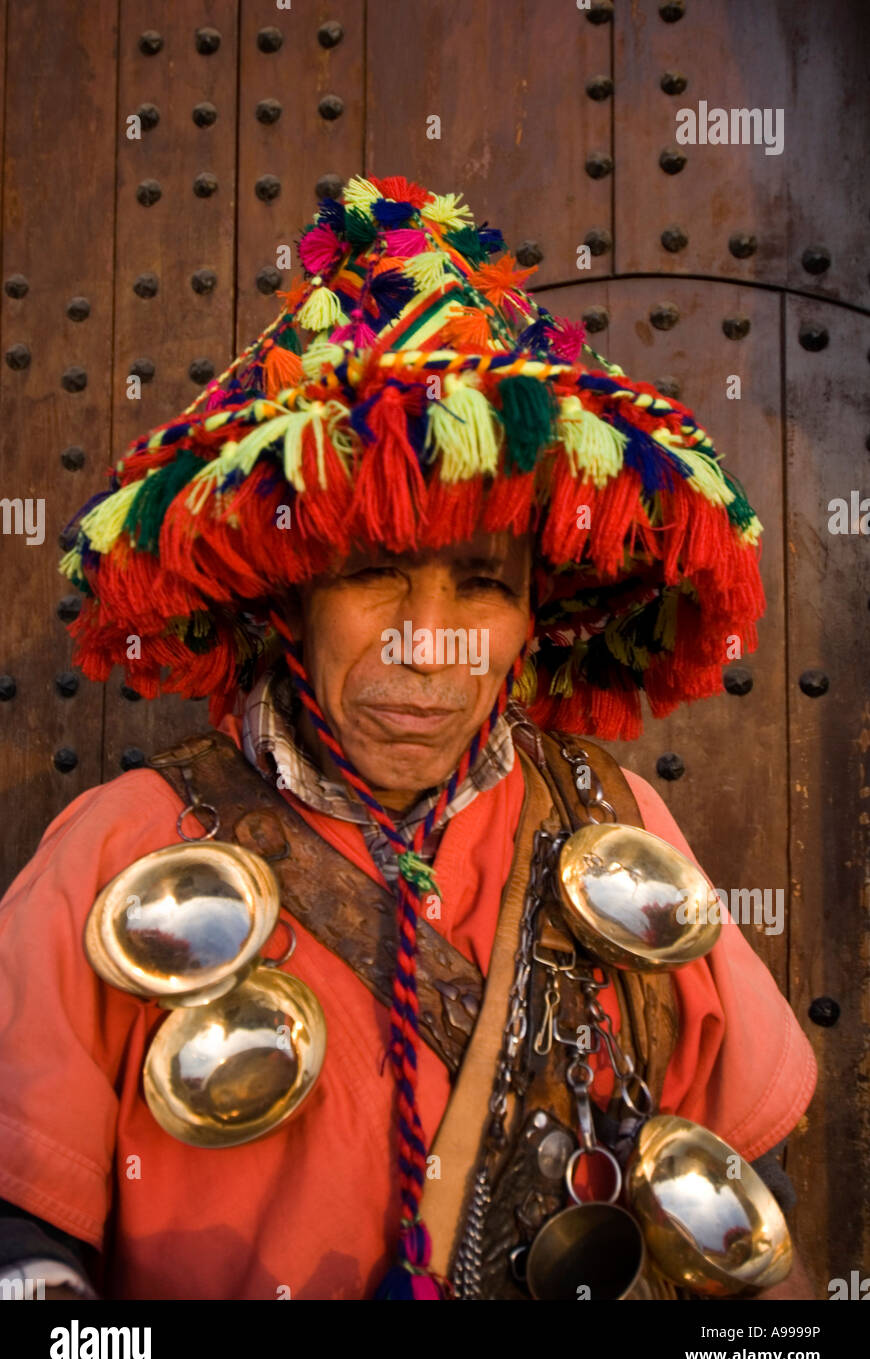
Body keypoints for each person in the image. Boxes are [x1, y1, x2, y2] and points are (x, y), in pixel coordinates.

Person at [0, 173, 816, 1301]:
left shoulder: (612, 826)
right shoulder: (117, 855)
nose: (429, 646)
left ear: (535, 614)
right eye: (375, 573)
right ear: (291, 594)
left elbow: (745, 1215)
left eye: (480, 584)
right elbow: (24, 1247)